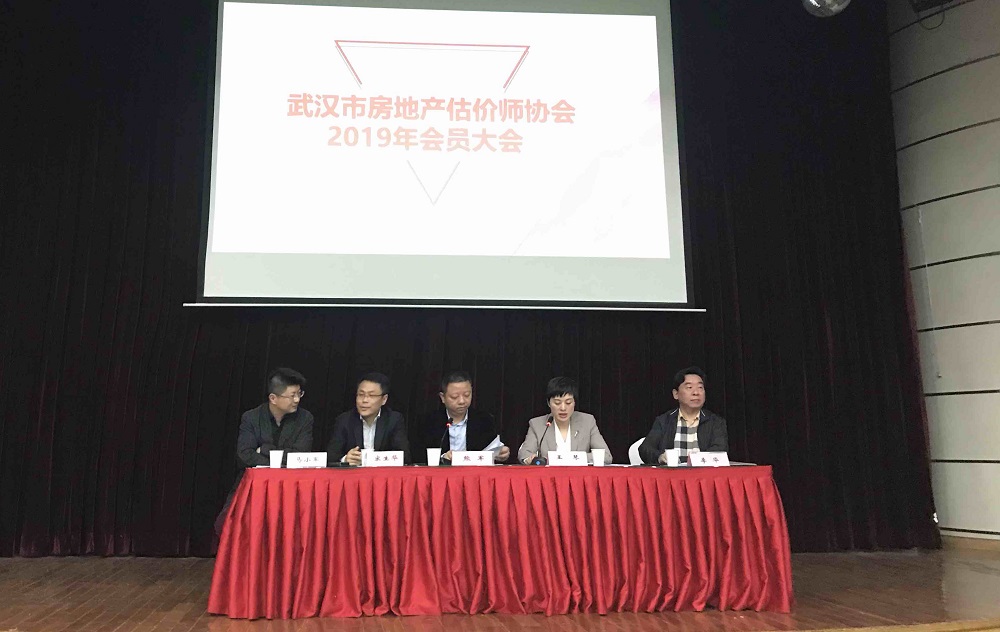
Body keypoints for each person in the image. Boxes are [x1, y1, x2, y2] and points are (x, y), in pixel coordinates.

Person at [215, 367, 314, 534]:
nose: (297, 400)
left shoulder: (305, 418)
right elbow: (244, 455)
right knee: (226, 524)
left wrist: (264, 449)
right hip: (255, 485)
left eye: (299, 394)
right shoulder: (251, 418)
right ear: (273, 398)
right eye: (292, 395)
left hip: (290, 484)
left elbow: (301, 456)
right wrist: (280, 458)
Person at [638, 366, 729, 464]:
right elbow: (645, 448)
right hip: (671, 473)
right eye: (689, 387)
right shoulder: (664, 421)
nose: (696, 392)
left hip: (703, 472)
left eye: (700, 387)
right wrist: (660, 457)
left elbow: (720, 450)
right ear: (676, 394)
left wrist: (696, 461)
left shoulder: (716, 422)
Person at [518, 376, 613, 464]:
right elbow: (524, 454)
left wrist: (571, 458)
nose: (563, 408)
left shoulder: (587, 421)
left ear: (574, 402)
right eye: (557, 403)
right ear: (548, 403)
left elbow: (606, 456)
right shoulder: (537, 424)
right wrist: (530, 459)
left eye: (568, 402)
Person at [421, 370, 510, 463]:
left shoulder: (485, 420)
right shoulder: (428, 422)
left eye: (467, 395)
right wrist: (443, 458)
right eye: (455, 397)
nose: (462, 401)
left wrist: (501, 454)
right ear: (443, 397)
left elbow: (494, 449)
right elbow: (419, 456)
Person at [327, 372, 411, 465]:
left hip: (382, 473)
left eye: (371, 395)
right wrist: (345, 459)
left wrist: (371, 459)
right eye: (361, 394)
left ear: (384, 399)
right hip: (354, 473)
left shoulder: (393, 419)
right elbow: (331, 457)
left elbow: (404, 457)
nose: (364, 400)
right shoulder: (344, 420)